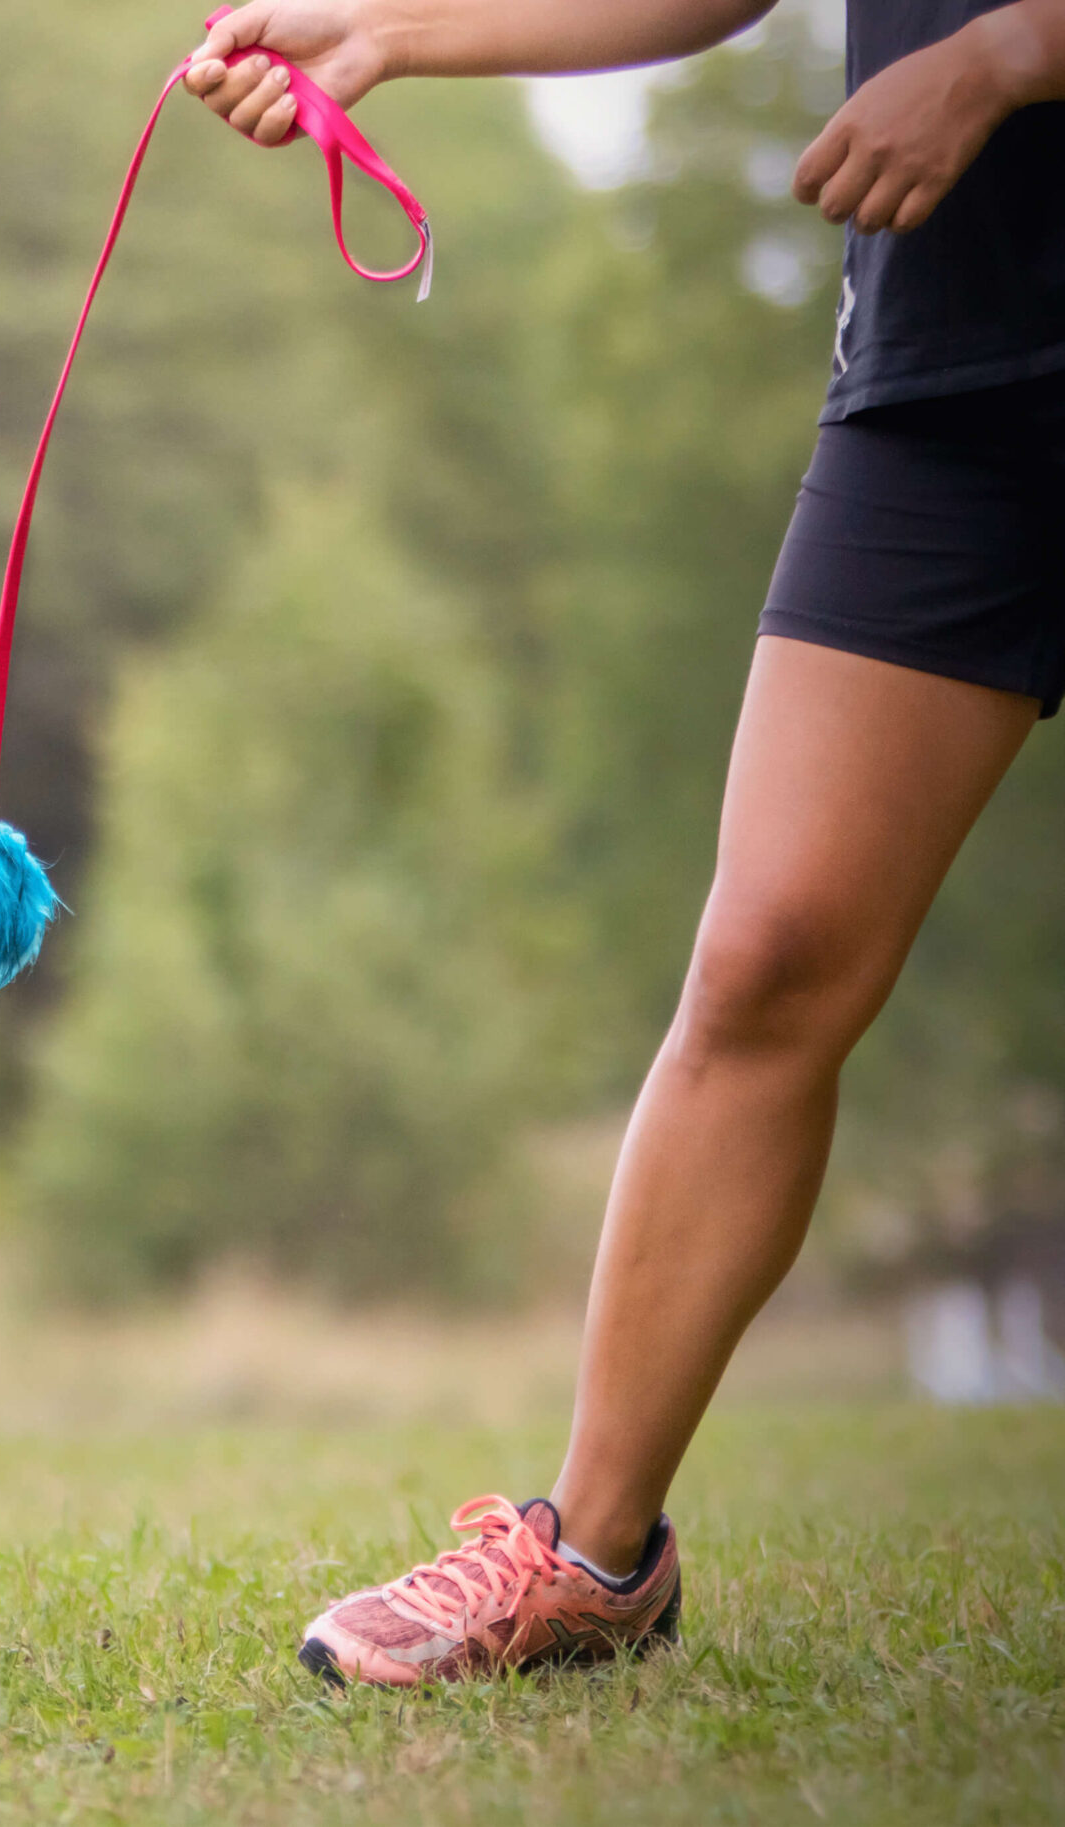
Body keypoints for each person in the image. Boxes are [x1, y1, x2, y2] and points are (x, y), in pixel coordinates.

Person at [181, 0, 1065, 1687]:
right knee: (769, 951)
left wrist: (1015, 53)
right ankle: (593, 1561)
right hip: (954, 368)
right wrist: (394, 30)